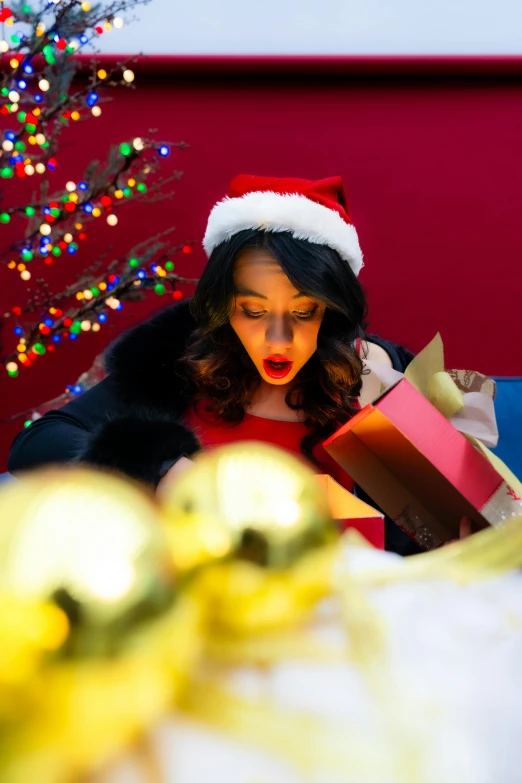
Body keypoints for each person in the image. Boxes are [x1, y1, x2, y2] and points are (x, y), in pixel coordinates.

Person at [8, 174, 417, 552]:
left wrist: (458, 538)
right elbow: (35, 445)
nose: (278, 340)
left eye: (303, 312)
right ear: (223, 308)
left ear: (330, 311)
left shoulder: (372, 378)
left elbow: (412, 536)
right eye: (253, 312)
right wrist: (161, 469)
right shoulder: (175, 365)